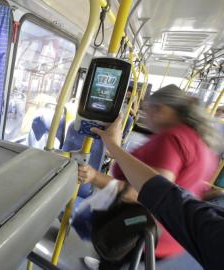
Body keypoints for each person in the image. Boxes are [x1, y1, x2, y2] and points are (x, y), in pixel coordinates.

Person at [78, 84, 221, 259]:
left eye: (147, 112)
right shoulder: (201, 140)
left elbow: (146, 194)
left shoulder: (171, 139)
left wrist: (94, 176)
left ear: (159, 109)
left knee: (112, 256)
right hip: (175, 235)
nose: (146, 119)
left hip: (141, 228)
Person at [88, 118, 224, 270]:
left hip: (152, 226)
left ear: (162, 110)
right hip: (172, 236)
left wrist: (96, 174)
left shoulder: (173, 139)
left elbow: (153, 194)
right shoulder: (204, 146)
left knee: (116, 250)